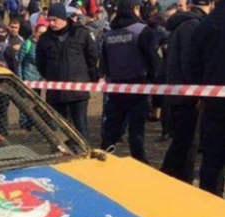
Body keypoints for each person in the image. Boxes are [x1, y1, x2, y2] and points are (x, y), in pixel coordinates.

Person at [160, 0, 214, 183]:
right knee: (186, 144)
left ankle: (174, 180)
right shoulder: (192, 26)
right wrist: (198, 92)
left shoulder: (183, 24)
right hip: (186, 94)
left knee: (183, 142)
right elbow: (190, 63)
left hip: (177, 91)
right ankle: (172, 181)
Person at [100, 0, 157, 163]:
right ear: (136, 8)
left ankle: (103, 161)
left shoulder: (109, 35)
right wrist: (153, 82)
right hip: (138, 86)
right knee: (136, 131)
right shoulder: (142, 31)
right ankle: (139, 163)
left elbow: (104, 62)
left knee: (111, 131)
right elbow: (153, 61)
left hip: (115, 88)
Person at [36, 1, 98, 139]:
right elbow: (40, 63)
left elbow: (92, 56)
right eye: (49, 20)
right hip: (56, 93)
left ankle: (83, 151)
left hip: (78, 91)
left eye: (54, 20)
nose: (51, 23)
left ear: (63, 18)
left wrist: (82, 74)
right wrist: (52, 77)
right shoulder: (44, 39)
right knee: (60, 131)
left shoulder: (80, 33)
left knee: (81, 127)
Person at [189, 0, 225, 195]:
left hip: (213, 100)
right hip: (213, 98)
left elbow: (194, 64)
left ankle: (209, 202)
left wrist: (201, 94)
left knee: (212, 158)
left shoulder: (206, 24)